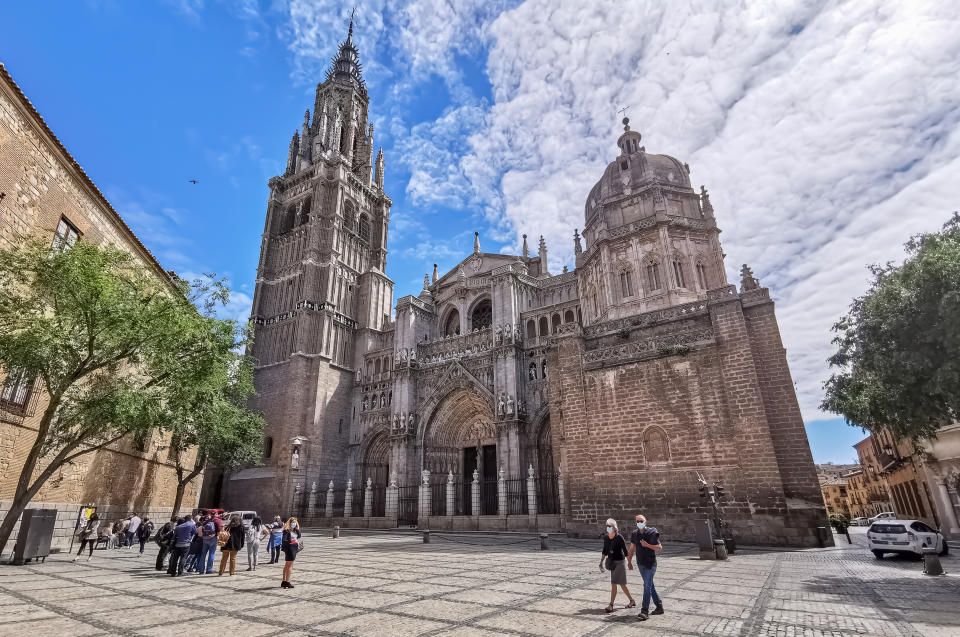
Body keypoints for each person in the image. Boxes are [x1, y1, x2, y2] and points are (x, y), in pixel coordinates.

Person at [627, 513, 663, 621]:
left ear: (645, 522)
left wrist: (647, 545)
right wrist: (629, 561)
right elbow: (632, 548)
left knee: (646, 586)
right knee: (650, 586)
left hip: (651, 564)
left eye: (641, 521)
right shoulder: (635, 534)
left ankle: (644, 611)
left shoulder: (652, 533)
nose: (639, 523)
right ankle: (659, 607)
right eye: (637, 521)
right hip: (641, 563)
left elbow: (659, 548)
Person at [599, 518, 635, 613]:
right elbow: (604, 551)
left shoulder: (619, 537)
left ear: (615, 528)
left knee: (614, 583)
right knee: (622, 585)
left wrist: (629, 563)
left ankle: (611, 605)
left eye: (610, 526)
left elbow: (625, 551)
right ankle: (631, 600)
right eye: (607, 526)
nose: (608, 528)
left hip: (620, 562)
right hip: (612, 563)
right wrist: (601, 562)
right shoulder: (606, 538)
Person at [279, 517, 301, 589]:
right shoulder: (286, 530)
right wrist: (292, 542)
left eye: (295, 522)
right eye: (293, 522)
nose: (294, 524)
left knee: (287, 565)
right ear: (290, 523)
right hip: (290, 548)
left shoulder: (295, 530)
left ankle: (284, 581)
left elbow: (299, 536)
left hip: (294, 548)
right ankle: (287, 581)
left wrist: (297, 527)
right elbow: (284, 540)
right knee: (290, 565)